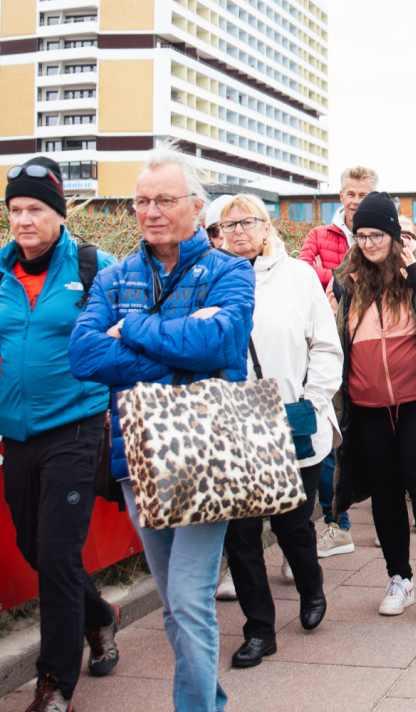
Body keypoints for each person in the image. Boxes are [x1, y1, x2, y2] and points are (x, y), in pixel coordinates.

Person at [70, 145, 255, 711]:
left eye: (164, 200)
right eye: (141, 201)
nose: (150, 211)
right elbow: (84, 353)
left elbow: (221, 344)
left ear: (196, 207)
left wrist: (133, 331)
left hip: (206, 455)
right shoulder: (116, 274)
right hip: (139, 455)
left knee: (190, 597)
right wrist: (178, 351)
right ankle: (211, 699)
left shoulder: (230, 270)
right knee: (176, 604)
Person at [1, 157, 119, 712]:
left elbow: (127, 334)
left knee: (56, 551)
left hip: (76, 427)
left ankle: (54, 684)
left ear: (59, 214)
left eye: (35, 209)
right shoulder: (0, 272)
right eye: (15, 210)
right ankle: (99, 615)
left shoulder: (96, 268)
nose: (24, 220)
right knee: (35, 547)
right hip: (16, 436)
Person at [332, 191, 416, 622]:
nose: (369, 243)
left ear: (394, 235)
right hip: (368, 403)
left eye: (376, 234)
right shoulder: (345, 279)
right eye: (361, 235)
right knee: (385, 494)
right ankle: (399, 578)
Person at [217, 194, 343, 668]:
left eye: (247, 222)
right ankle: (259, 630)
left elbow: (326, 347)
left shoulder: (298, 277)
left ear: (267, 227)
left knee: (293, 525)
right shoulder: (212, 279)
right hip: (237, 422)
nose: (238, 232)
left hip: (292, 416)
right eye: (228, 226)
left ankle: (311, 589)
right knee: (242, 535)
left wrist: (313, 401)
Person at [299, 165, 378, 559]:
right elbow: (303, 274)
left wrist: (332, 278)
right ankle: (338, 523)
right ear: (341, 195)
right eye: (350, 193)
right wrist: (334, 278)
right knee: (332, 434)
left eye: (363, 194)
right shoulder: (319, 235)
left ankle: (385, 510)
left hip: (368, 346)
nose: (355, 201)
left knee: (376, 433)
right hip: (329, 344)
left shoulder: (383, 232)